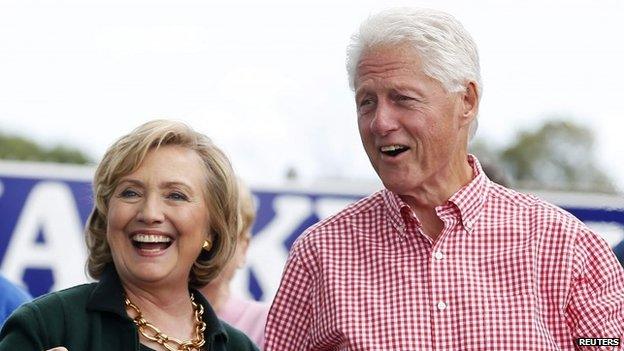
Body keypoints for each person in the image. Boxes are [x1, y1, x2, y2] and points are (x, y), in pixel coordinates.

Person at [264, 8, 624, 350]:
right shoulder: (319, 255)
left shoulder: (568, 248)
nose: (380, 123)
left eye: (402, 98)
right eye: (366, 102)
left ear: (466, 101)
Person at [0, 120, 258, 351]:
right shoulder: (46, 326)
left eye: (175, 195)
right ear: (106, 214)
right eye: (130, 193)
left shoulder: (241, 347)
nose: (150, 213)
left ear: (212, 230)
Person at [200, 179, 269, 348]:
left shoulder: (269, 324)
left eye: (222, 234)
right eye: (202, 230)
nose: (208, 244)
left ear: (243, 248)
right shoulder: (137, 318)